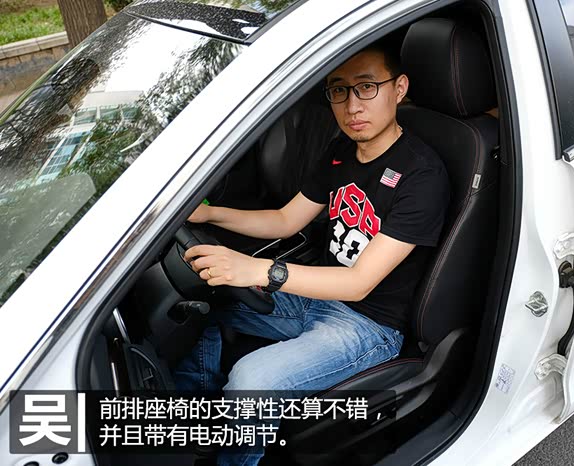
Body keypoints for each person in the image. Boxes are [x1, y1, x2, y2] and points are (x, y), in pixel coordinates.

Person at [174, 41, 450, 465]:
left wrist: (260, 270)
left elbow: (358, 284)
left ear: (399, 88)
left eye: (367, 87)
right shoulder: (341, 152)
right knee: (203, 302)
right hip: (315, 296)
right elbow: (286, 220)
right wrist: (210, 214)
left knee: (253, 381)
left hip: (368, 325)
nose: (352, 106)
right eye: (339, 90)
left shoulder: (422, 174)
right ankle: (195, 428)